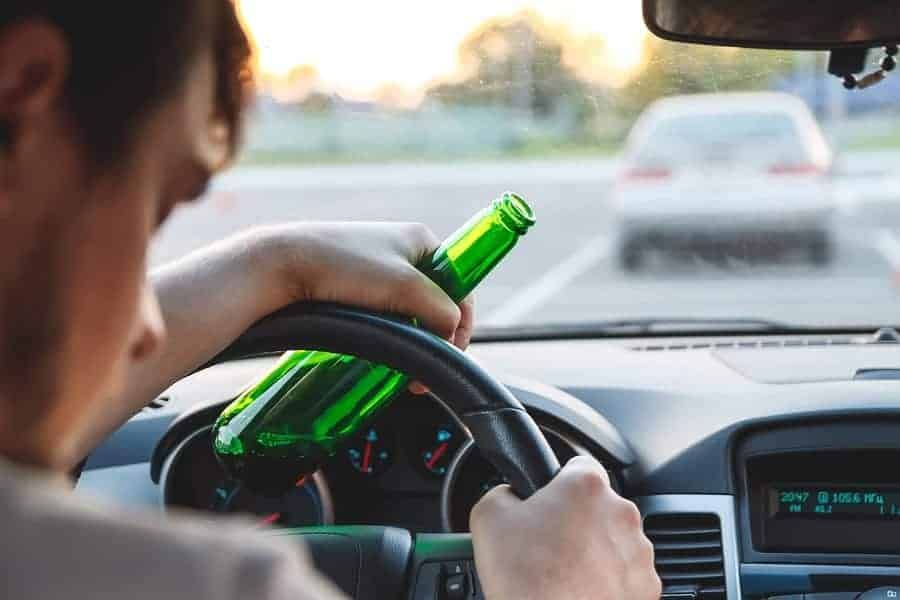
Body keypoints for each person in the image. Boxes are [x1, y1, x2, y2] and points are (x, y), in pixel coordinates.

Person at [0, 2, 661, 599]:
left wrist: (278, 266)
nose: (145, 331)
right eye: (151, 213)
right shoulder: (218, 583)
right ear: (19, 90)